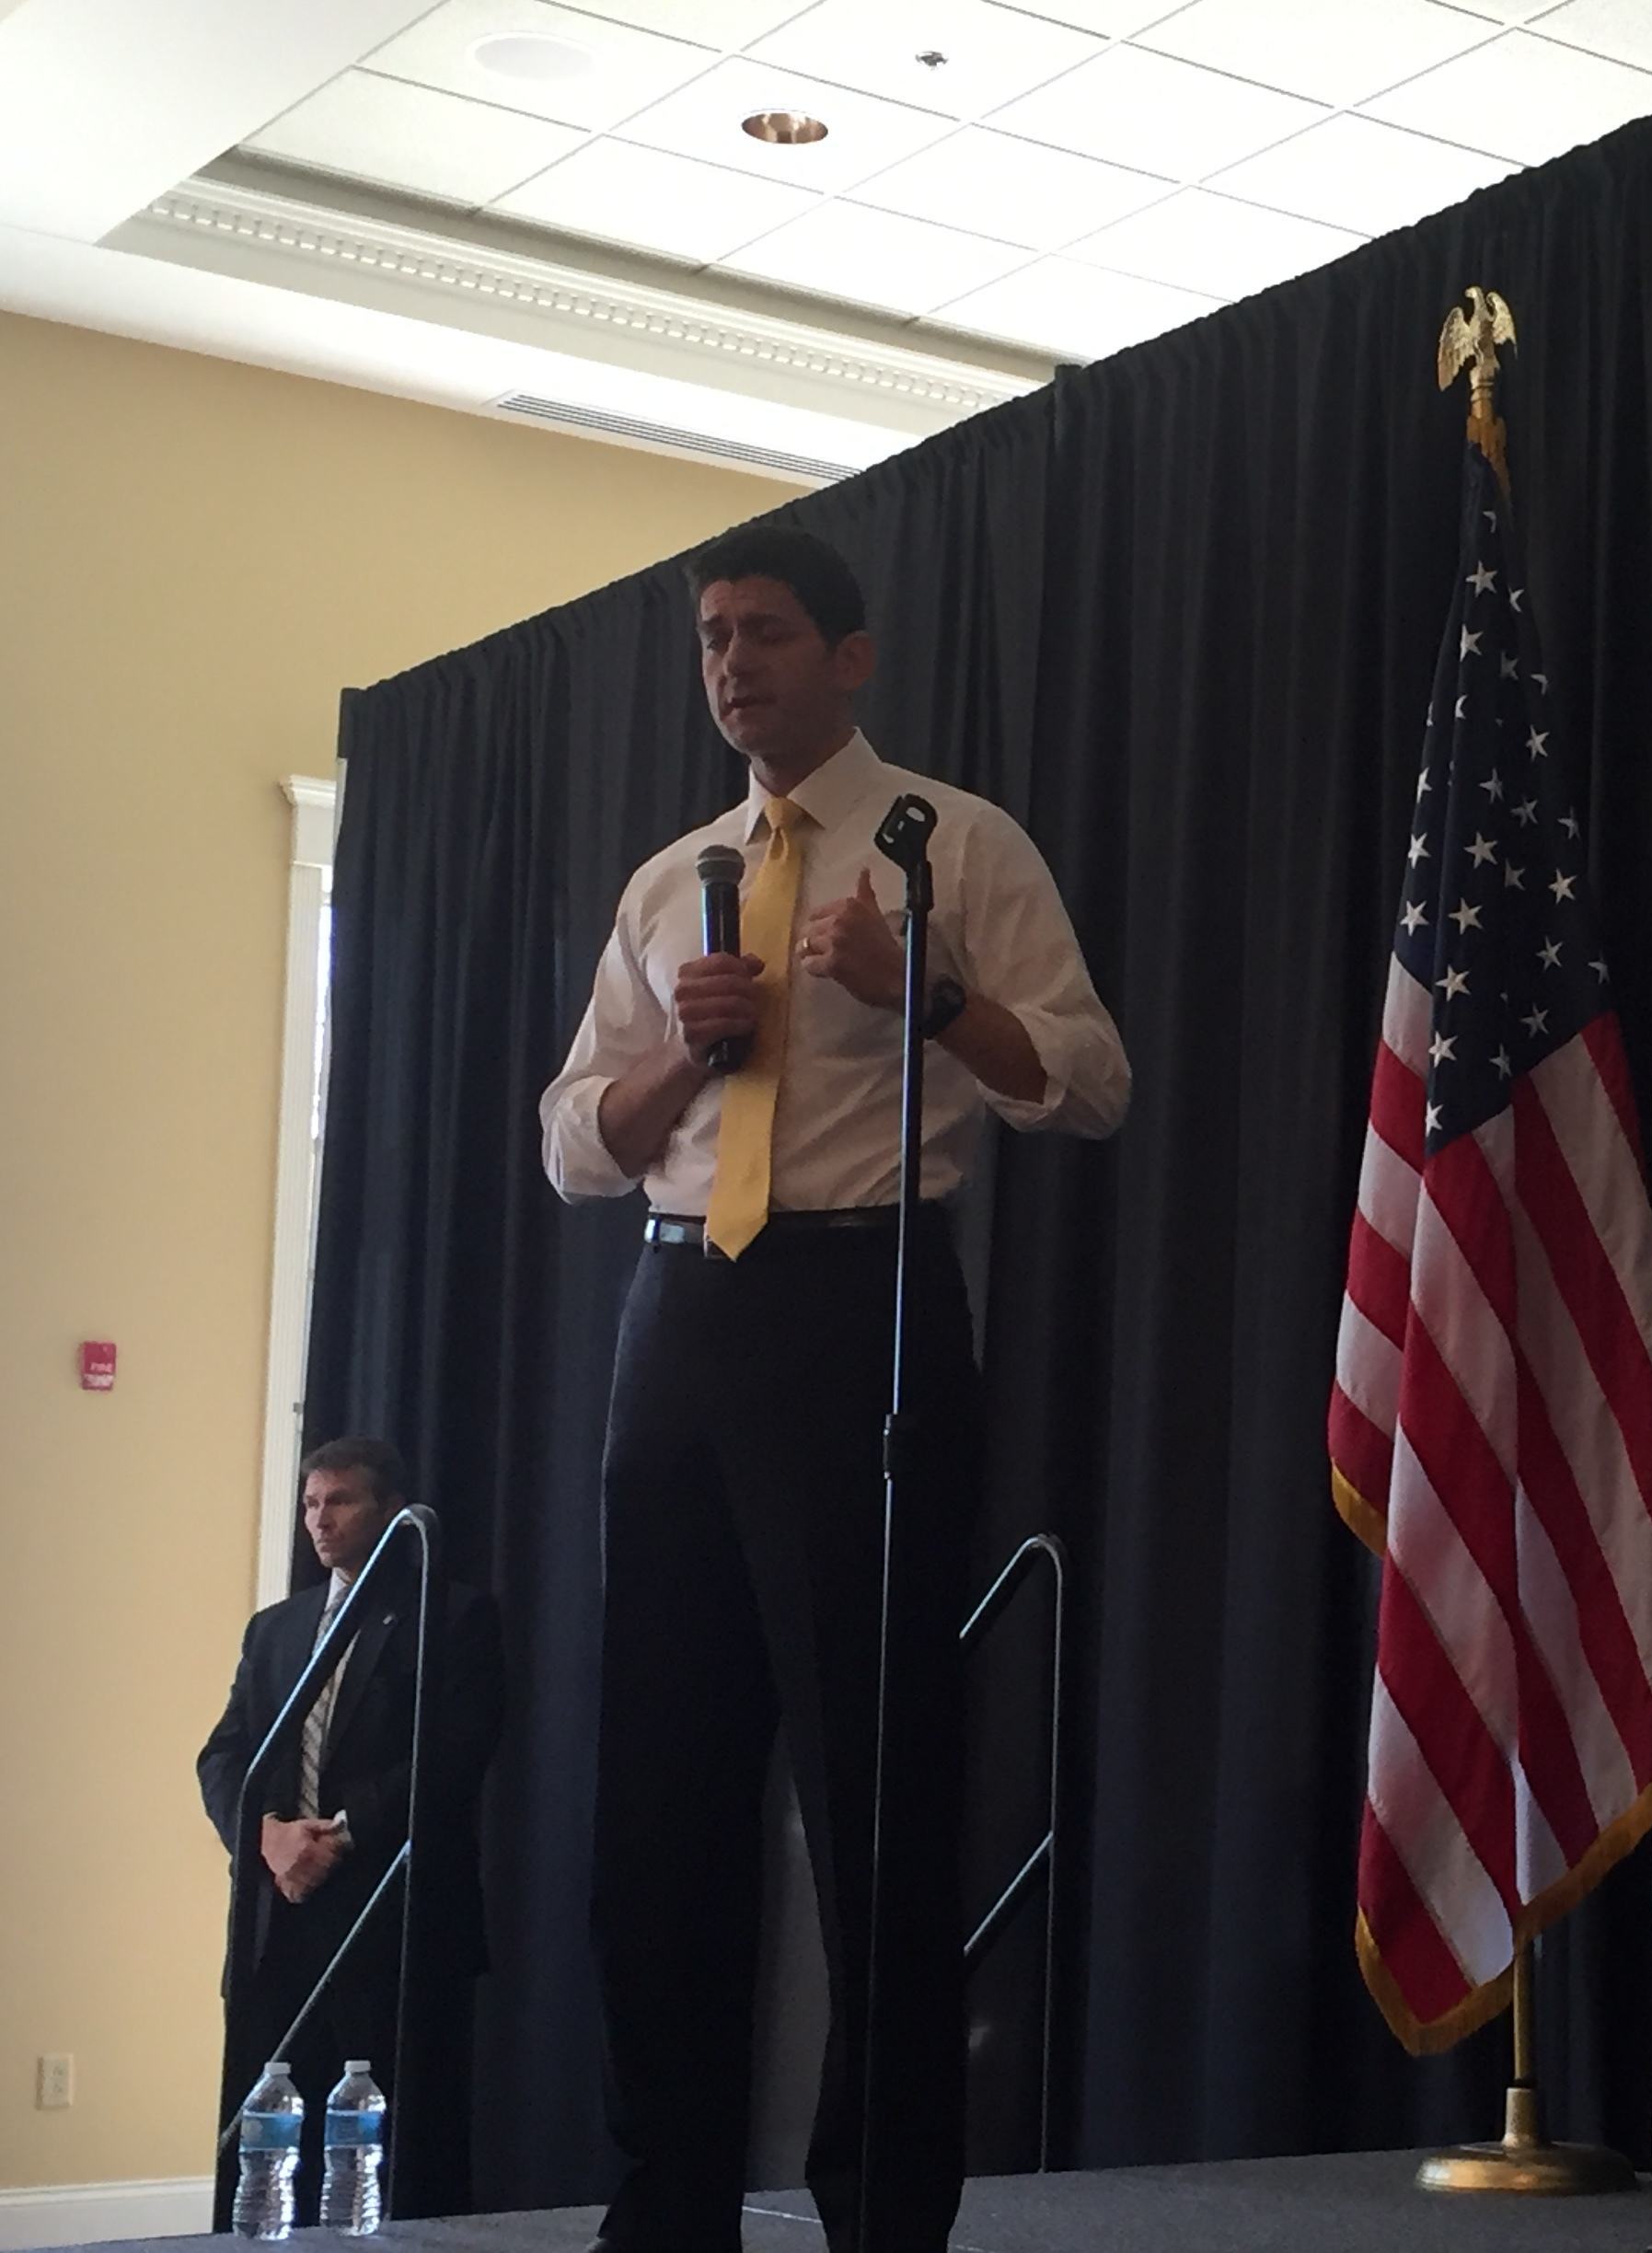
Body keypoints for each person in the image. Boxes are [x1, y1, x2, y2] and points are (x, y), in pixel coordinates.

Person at [539, 521, 1127, 2253]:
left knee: (871, 1787)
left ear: (850, 656)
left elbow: (1087, 1082)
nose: (735, 663)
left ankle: (878, 2209)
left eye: (770, 633)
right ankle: (665, 2200)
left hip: (857, 1301)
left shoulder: (951, 845)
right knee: (657, 1786)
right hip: (674, 1316)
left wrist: (923, 991)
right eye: (715, 637)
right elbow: (572, 1146)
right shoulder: (669, 882)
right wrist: (671, 1057)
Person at [198, 1436, 504, 2224]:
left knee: (397, 2156)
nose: (319, 1520)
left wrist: (334, 1833)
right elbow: (225, 1755)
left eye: (339, 1502)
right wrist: (268, 1839)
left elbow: (453, 1754)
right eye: (309, 1503)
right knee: (267, 2149)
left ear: (391, 1510)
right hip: (277, 1924)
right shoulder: (275, 1629)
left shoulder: (454, 1615)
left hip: (390, 1922)